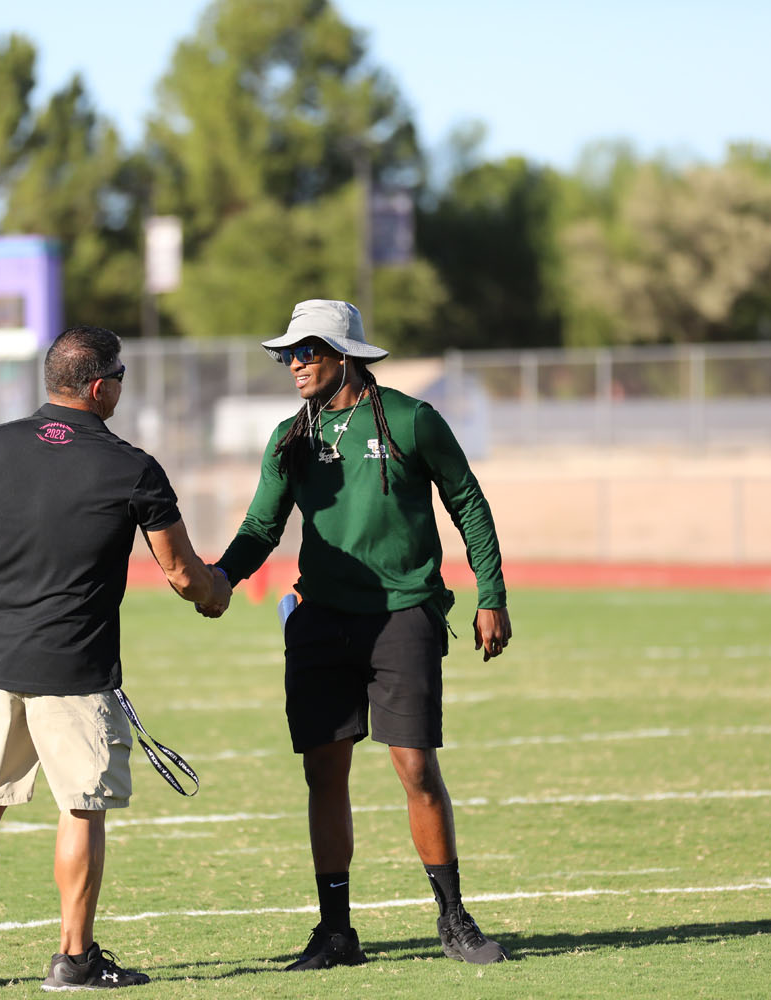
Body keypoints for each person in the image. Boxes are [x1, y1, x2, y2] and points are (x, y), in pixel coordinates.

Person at [0, 326, 231, 990]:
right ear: (101, 385)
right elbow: (184, 574)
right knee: (82, 805)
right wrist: (215, 595)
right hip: (73, 668)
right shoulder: (131, 466)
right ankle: (75, 958)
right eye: (121, 376)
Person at [211, 299, 513, 970]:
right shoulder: (290, 437)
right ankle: (337, 931)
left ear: (343, 352)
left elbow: (468, 502)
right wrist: (221, 577)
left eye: (306, 351)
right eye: (287, 354)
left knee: (414, 766)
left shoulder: (412, 418)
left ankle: (453, 918)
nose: (294, 364)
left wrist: (490, 593)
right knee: (325, 773)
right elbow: (262, 527)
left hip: (403, 613)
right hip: (319, 619)